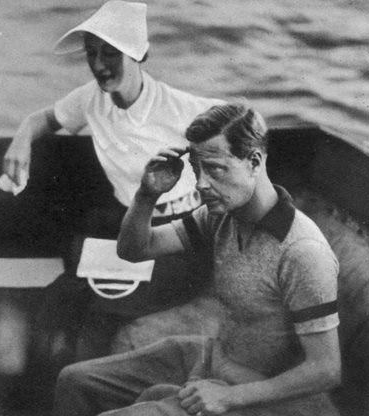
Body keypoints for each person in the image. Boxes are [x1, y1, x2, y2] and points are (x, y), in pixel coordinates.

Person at [53, 101, 342, 416]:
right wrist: (146, 196)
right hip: (216, 359)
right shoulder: (220, 217)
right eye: (196, 169)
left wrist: (231, 398)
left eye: (215, 169)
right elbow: (134, 250)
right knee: (76, 380)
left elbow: (326, 370)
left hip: (268, 398)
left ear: (254, 162)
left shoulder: (302, 251)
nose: (201, 184)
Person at [2, 0, 224, 361]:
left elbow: (243, 125)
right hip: (130, 227)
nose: (99, 65)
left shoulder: (183, 109)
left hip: (180, 237)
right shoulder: (91, 100)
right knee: (57, 302)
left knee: (98, 315)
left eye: (111, 53)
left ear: (139, 54)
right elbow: (45, 118)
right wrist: (22, 138)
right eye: (91, 53)